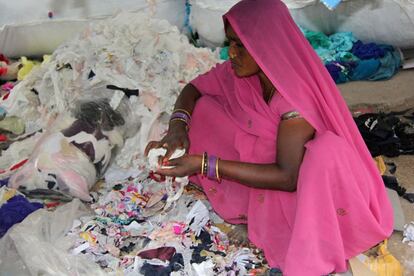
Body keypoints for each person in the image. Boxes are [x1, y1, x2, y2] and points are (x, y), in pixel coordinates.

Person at [145, 0, 393, 274]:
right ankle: (242, 201)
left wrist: (204, 164)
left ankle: (267, 212)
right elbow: (193, 89)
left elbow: (287, 177)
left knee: (323, 153)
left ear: (265, 45)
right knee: (202, 110)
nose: (232, 54)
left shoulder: (291, 95)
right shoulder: (240, 73)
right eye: (230, 44)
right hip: (260, 159)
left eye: (241, 45)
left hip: (300, 182)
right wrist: (177, 127)